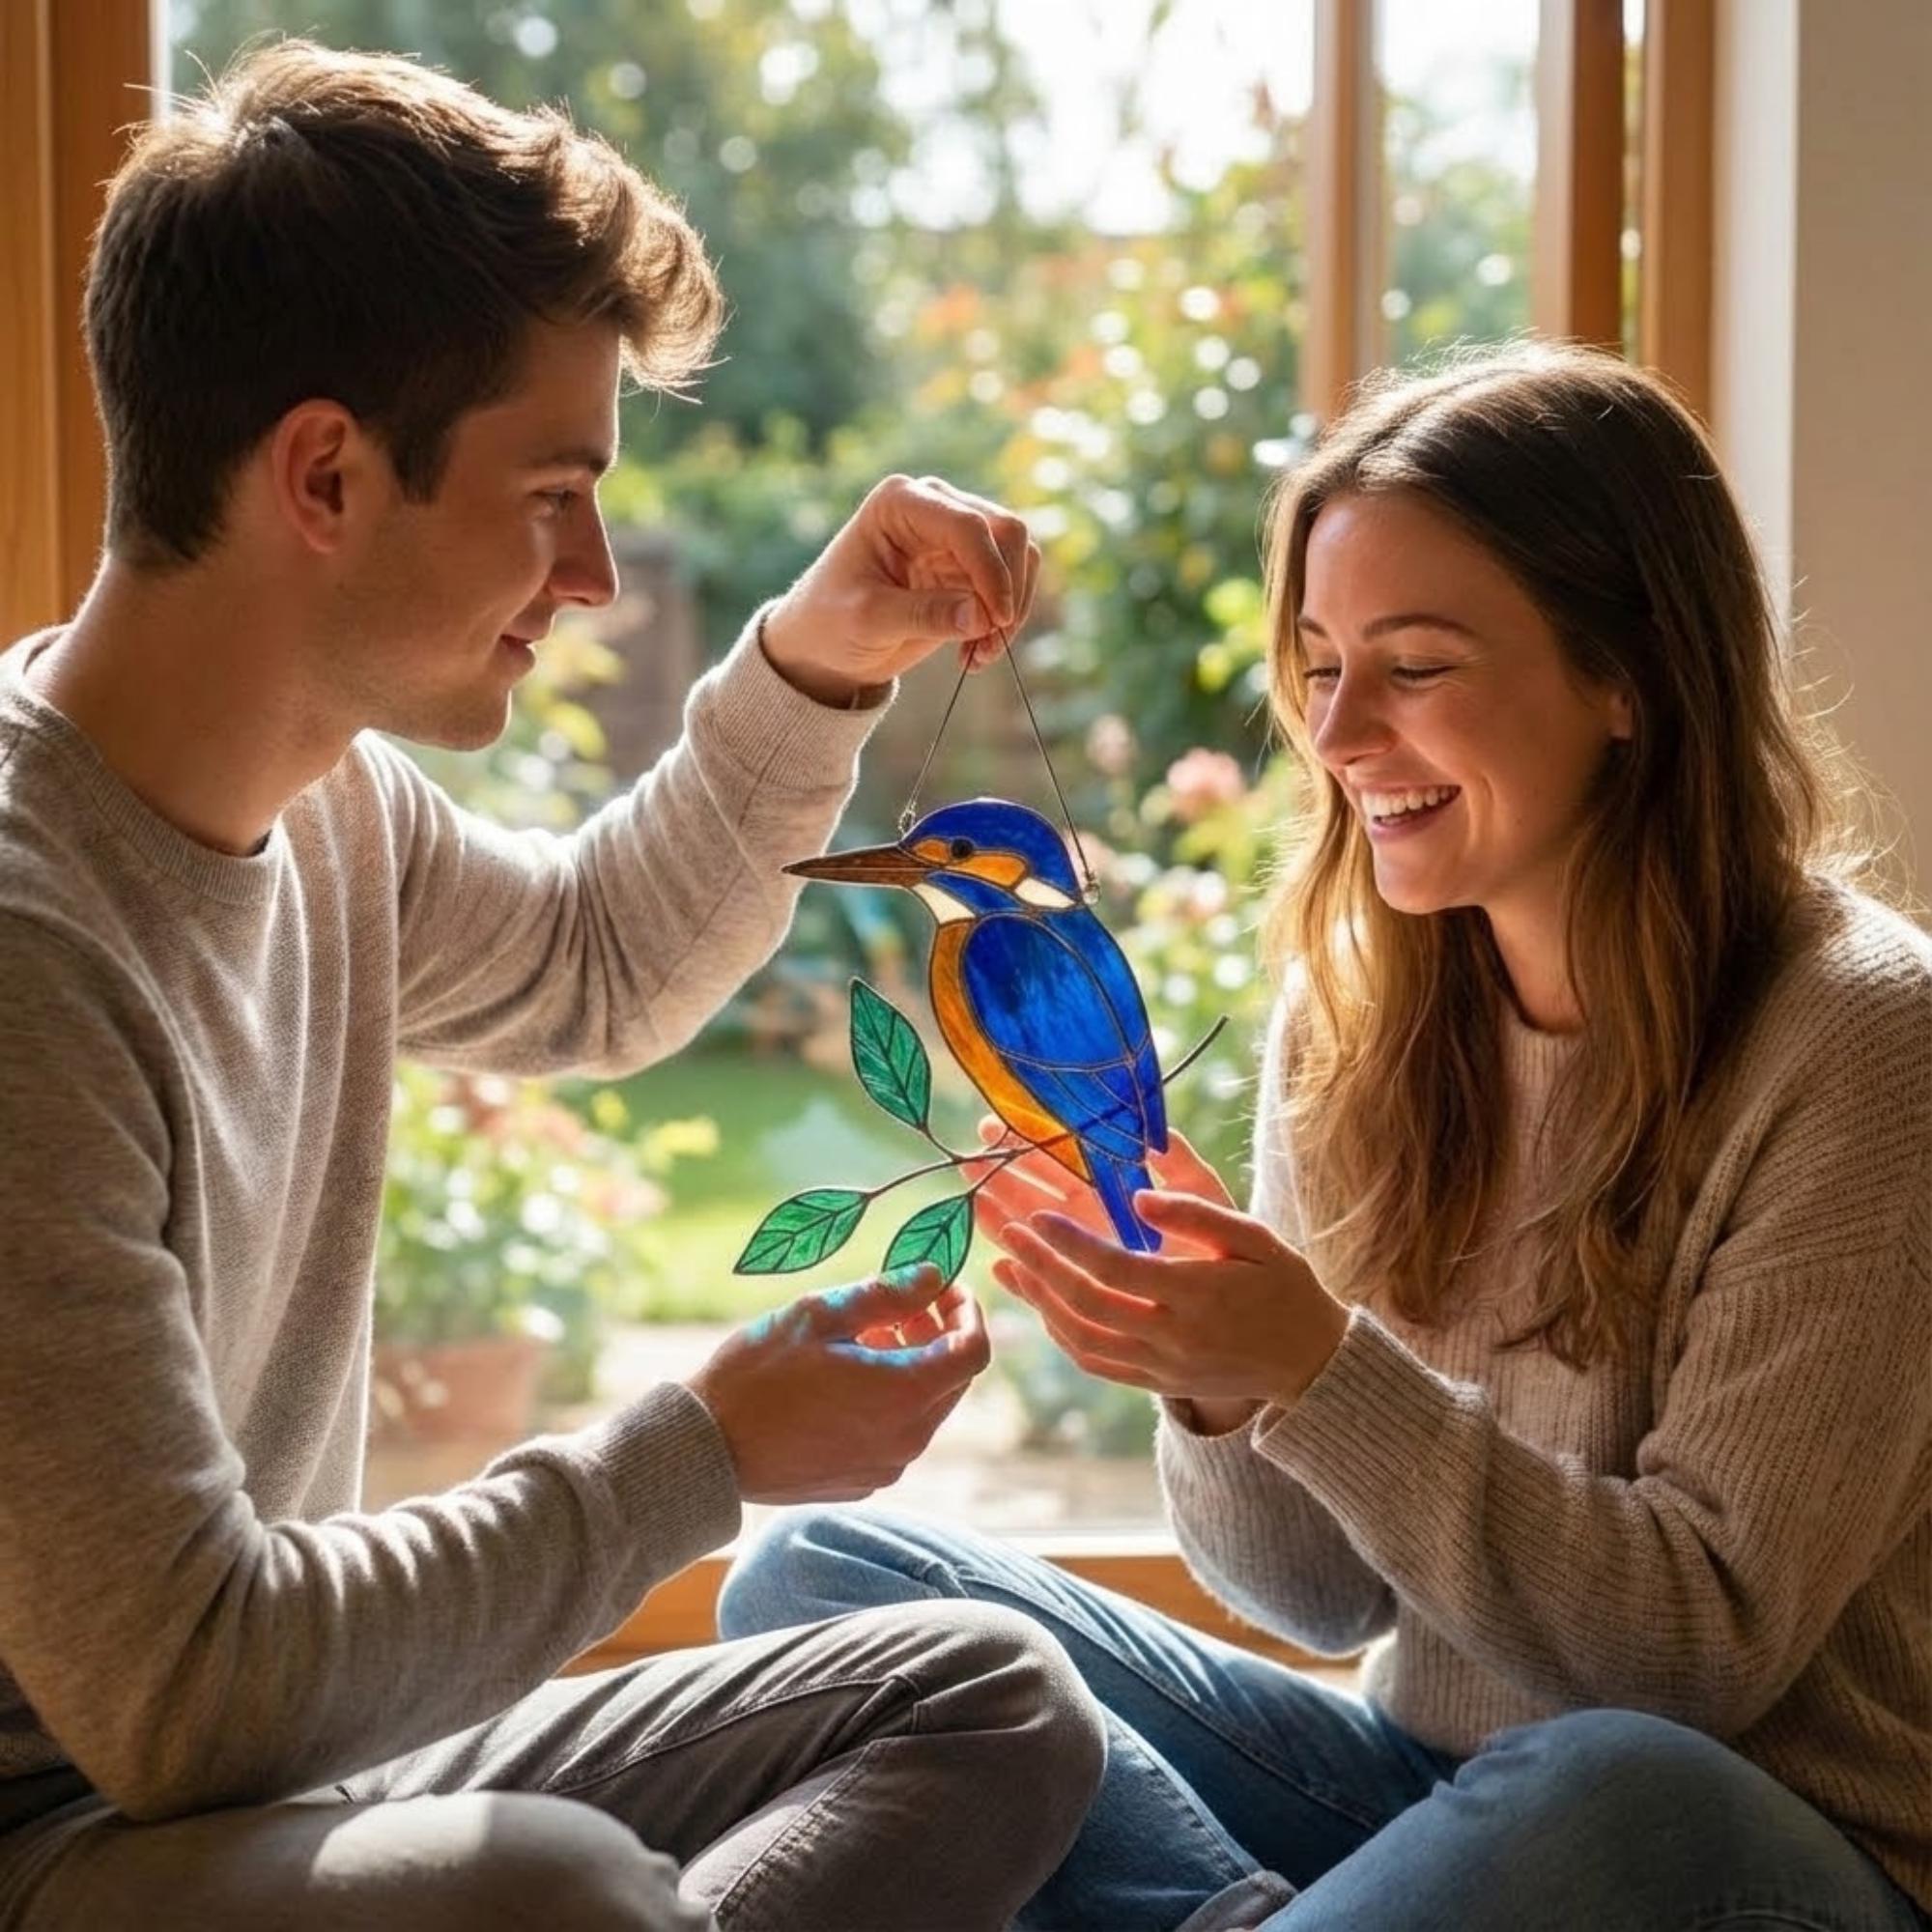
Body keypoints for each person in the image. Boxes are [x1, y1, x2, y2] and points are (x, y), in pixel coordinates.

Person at [0, 39, 1108, 1932]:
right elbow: (179, 1691)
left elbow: (601, 967)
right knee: (543, 1892)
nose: (593, 571)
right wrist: (699, 1453)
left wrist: (825, 660)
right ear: (326, 474)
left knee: (991, 1699)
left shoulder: (329, 812)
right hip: (69, 1831)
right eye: (552, 492)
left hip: (274, 1767)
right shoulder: (29, 951)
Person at [723, 343, 1932, 1931]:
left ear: (1627, 675)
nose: (1342, 731)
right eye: (1318, 662)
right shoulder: (1360, 1014)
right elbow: (1316, 1594)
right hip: (1427, 1789)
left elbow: (1696, 1656)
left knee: (1607, 1779)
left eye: (1416, 666)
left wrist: (1318, 1366)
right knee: (819, 1589)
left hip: (1741, 1849)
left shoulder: (1864, 1041)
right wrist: (1220, 1380)